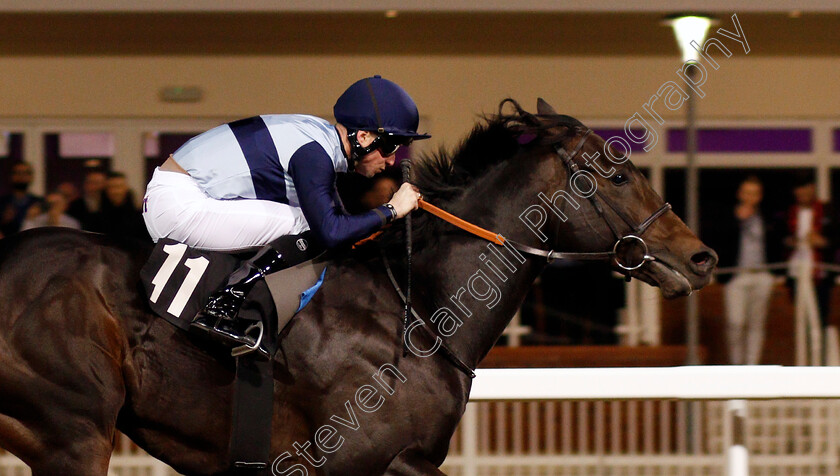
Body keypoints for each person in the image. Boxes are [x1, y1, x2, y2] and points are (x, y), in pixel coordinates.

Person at [142, 75, 428, 353]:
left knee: (306, 223)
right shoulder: (314, 153)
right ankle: (223, 306)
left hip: (176, 196)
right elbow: (331, 231)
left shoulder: (319, 139)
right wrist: (392, 209)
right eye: (390, 146)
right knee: (305, 225)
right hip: (178, 204)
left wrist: (388, 217)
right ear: (363, 136)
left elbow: (343, 225)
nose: (392, 160)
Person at [711, 176, 779, 365]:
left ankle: (752, 366)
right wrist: (738, 221)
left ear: (760, 196)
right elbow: (719, 242)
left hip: (762, 275)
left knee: (757, 323)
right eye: (747, 192)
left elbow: (775, 243)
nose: (750, 197)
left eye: (754, 193)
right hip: (736, 276)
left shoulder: (766, 218)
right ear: (740, 194)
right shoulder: (728, 217)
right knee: (735, 322)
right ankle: (736, 365)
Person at [783, 175, 834, 329]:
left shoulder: (827, 211)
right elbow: (779, 238)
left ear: (812, 188)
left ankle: (821, 351)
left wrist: (823, 242)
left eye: (806, 188)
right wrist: (789, 242)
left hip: (820, 274)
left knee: (820, 318)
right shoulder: (789, 213)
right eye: (799, 189)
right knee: (800, 318)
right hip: (796, 272)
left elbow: (835, 239)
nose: (802, 192)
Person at [101, 171, 150, 241]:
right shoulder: (98, 217)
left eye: (119, 187)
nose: (115, 192)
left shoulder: (140, 217)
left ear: (126, 188)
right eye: (111, 187)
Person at [0, 162, 43, 237]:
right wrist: (4, 220)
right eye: (17, 173)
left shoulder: (39, 203)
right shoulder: (2, 202)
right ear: (11, 176)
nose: (21, 176)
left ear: (31, 177)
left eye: (25, 173)